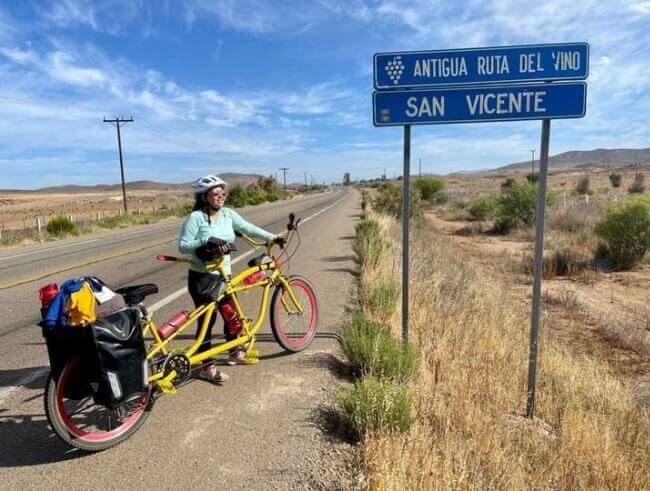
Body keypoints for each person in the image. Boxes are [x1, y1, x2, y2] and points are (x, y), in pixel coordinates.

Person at [178, 174, 282, 383]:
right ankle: (206, 367)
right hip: (203, 278)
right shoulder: (196, 218)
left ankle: (234, 351)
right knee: (208, 321)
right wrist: (205, 240)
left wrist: (274, 238)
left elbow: (248, 228)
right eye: (215, 193)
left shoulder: (228, 214)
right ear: (203, 197)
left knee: (231, 313)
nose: (221, 196)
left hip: (224, 276)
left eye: (222, 192)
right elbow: (183, 245)